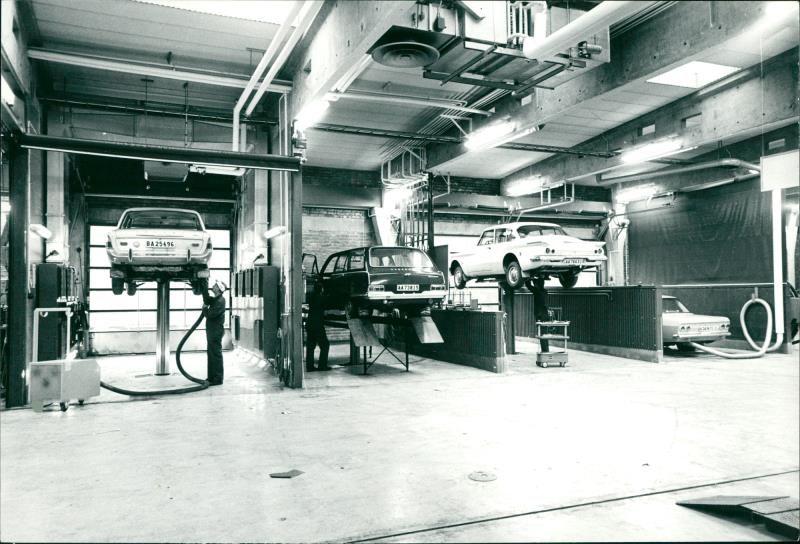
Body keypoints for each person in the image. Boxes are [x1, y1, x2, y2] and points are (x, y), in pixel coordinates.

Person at [202, 279, 227, 385]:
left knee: (215, 354)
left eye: (215, 285)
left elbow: (211, 314)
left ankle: (218, 378)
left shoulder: (221, 300)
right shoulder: (216, 299)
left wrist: (204, 309)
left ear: (219, 289)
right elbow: (207, 300)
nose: (213, 285)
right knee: (211, 353)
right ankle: (211, 377)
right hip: (212, 330)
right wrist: (203, 285)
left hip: (215, 331)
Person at [306, 277, 330, 371]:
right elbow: (328, 305)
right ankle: (322, 366)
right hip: (318, 325)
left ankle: (310, 367)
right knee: (325, 345)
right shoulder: (321, 298)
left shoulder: (311, 297)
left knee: (310, 346)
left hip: (309, 324)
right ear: (321, 289)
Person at [530, 277, 550, 353]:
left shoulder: (537, 291)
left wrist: (528, 278)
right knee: (544, 334)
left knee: (542, 334)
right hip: (545, 315)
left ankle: (544, 351)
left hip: (540, 316)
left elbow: (528, 286)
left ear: (537, 284)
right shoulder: (544, 291)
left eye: (535, 284)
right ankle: (545, 350)